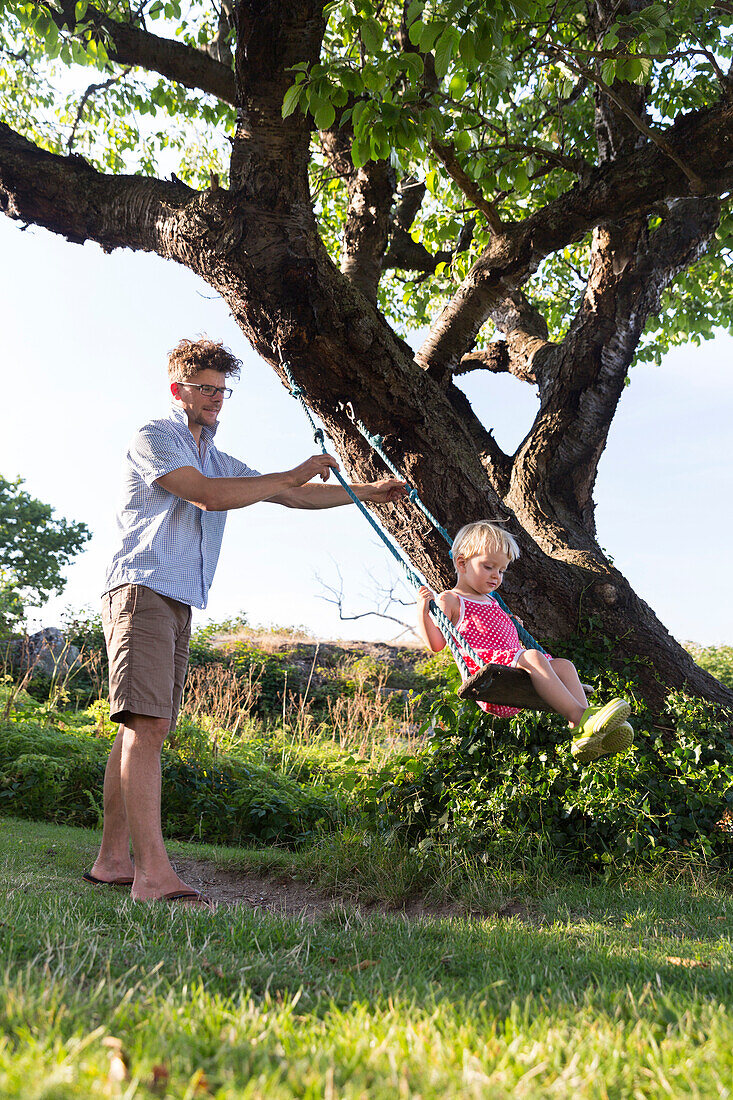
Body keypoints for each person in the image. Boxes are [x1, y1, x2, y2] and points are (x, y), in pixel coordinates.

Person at [85, 337, 406, 905]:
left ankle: (112, 861)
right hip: (142, 588)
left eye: (221, 390)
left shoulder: (217, 455)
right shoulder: (156, 436)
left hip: (177, 596)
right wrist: (291, 472)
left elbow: (293, 498)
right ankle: (152, 874)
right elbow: (206, 497)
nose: (215, 398)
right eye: (204, 388)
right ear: (177, 388)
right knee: (150, 726)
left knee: (142, 724)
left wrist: (371, 493)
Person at [416, 520, 633, 763]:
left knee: (564, 666)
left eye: (501, 570)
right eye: (489, 567)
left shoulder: (493, 601)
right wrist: (423, 611)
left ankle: (582, 730)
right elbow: (435, 644)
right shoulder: (451, 599)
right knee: (532, 656)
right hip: (490, 679)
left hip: (514, 675)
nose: (496, 576)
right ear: (462, 563)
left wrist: (511, 624)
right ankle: (580, 716)